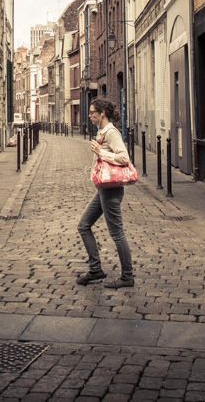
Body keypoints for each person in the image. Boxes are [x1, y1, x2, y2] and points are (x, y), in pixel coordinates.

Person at [76, 97, 135, 288]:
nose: (90, 115)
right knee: (84, 225)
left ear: (102, 114)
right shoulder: (103, 132)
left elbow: (124, 157)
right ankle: (95, 270)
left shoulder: (111, 133)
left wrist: (102, 152)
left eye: (92, 112)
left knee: (117, 233)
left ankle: (127, 276)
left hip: (111, 190)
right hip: (104, 189)